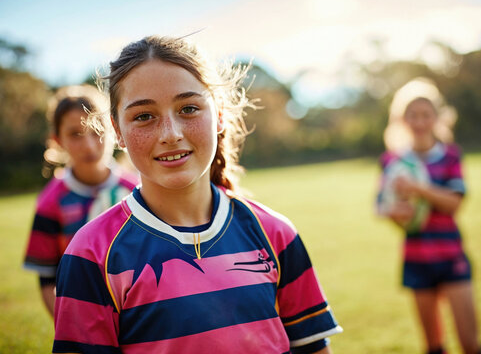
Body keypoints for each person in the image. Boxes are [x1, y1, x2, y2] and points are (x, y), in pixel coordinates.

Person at [53, 36, 342, 354]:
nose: (171, 134)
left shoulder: (275, 233)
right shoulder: (91, 253)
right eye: (144, 116)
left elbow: (313, 346)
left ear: (218, 114)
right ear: (117, 130)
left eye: (189, 108)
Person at [377, 78, 481, 354]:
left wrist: (418, 189)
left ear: (437, 117)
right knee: (434, 346)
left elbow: (454, 204)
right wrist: (397, 213)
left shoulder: (450, 155)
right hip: (416, 257)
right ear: (402, 119)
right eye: (413, 115)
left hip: (451, 255)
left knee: (471, 344)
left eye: (426, 114)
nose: (420, 121)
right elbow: (381, 206)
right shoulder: (392, 161)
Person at [23, 85, 139, 317]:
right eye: (75, 133)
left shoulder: (137, 190)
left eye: (97, 130)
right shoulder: (50, 202)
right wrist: (72, 330)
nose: (89, 145)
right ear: (57, 140)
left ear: (114, 130)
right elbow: (47, 279)